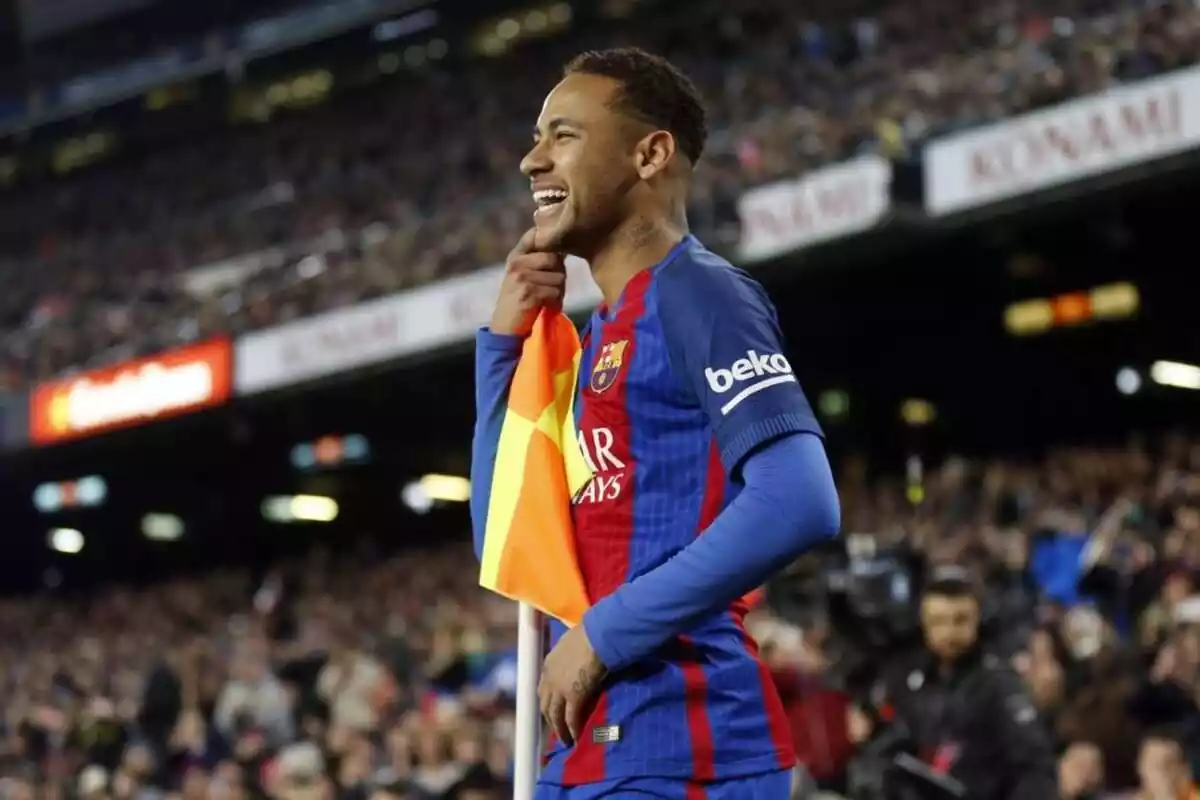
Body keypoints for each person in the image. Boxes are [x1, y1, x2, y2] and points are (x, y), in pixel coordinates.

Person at [470, 47, 841, 798]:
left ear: (649, 153)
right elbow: (504, 537)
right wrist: (502, 351)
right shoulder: (596, 339)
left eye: (562, 136)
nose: (530, 161)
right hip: (588, 751)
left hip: (685, 743)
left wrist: (605, 634)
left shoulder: (699, 292)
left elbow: (799, 498)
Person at [872, 568, 1058, 800]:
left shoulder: (999, 684)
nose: (949, 633)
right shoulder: (909, 679)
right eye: (938, 621)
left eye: (960, 620)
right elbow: (888, 748)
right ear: (924, 623)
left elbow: (1035, 770)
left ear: (977, 619)